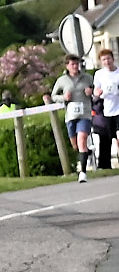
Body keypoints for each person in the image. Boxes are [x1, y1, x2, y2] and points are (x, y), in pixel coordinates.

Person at [51, 54, 93, 182]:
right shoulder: (62, 80)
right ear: (67, 66)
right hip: (71, 115)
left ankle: (83, 173)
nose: (75, 66)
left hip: (85, 113)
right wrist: (63, 98)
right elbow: (53, 96)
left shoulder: (87, 78)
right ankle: (85, 153)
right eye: (72, 64)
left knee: (82, 139)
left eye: (77, 64)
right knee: (75, 145)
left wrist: (90, 92)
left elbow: (95, 90)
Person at [93, 49, 119, 150]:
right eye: (104, 59)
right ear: (101, 61)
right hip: (108, 110)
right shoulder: (99, 74)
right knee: (114, 137)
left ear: (113, 58)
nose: (107, 61)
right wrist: (97, 92)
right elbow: (96, 90)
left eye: (108, 58)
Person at [91, 95, 113, 169]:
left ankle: (104, 164)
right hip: (102, 122)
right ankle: (104, 164)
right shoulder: (98, 100)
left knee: (106, 143)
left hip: (102, 121)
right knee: (105, 142)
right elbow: (97, 108)